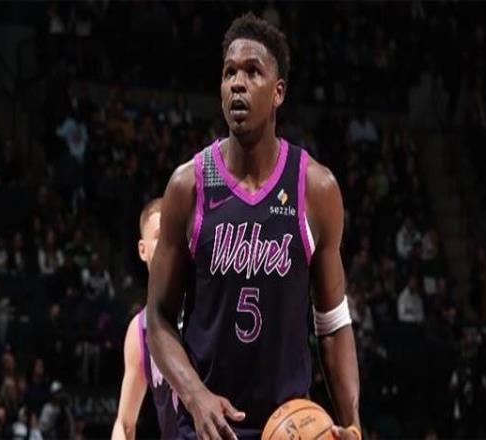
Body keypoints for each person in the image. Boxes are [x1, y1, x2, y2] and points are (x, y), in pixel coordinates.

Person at [148, 13, 361, 439]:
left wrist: (354, 423)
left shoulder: (315, 189)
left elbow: (333, 324)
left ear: (278, 92)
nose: (237, 84)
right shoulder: (188, 186)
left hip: (289, 427)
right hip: (207, 428)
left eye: (252, 72)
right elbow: (158, 318)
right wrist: (195, 395)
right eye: (229, 73)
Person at [112, 198, 177, 440]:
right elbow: (125, 423)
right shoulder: (140, 330)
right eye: (160, 236)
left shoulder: (209, 308)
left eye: (175, 235)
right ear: (143, 250)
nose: (169, 243)